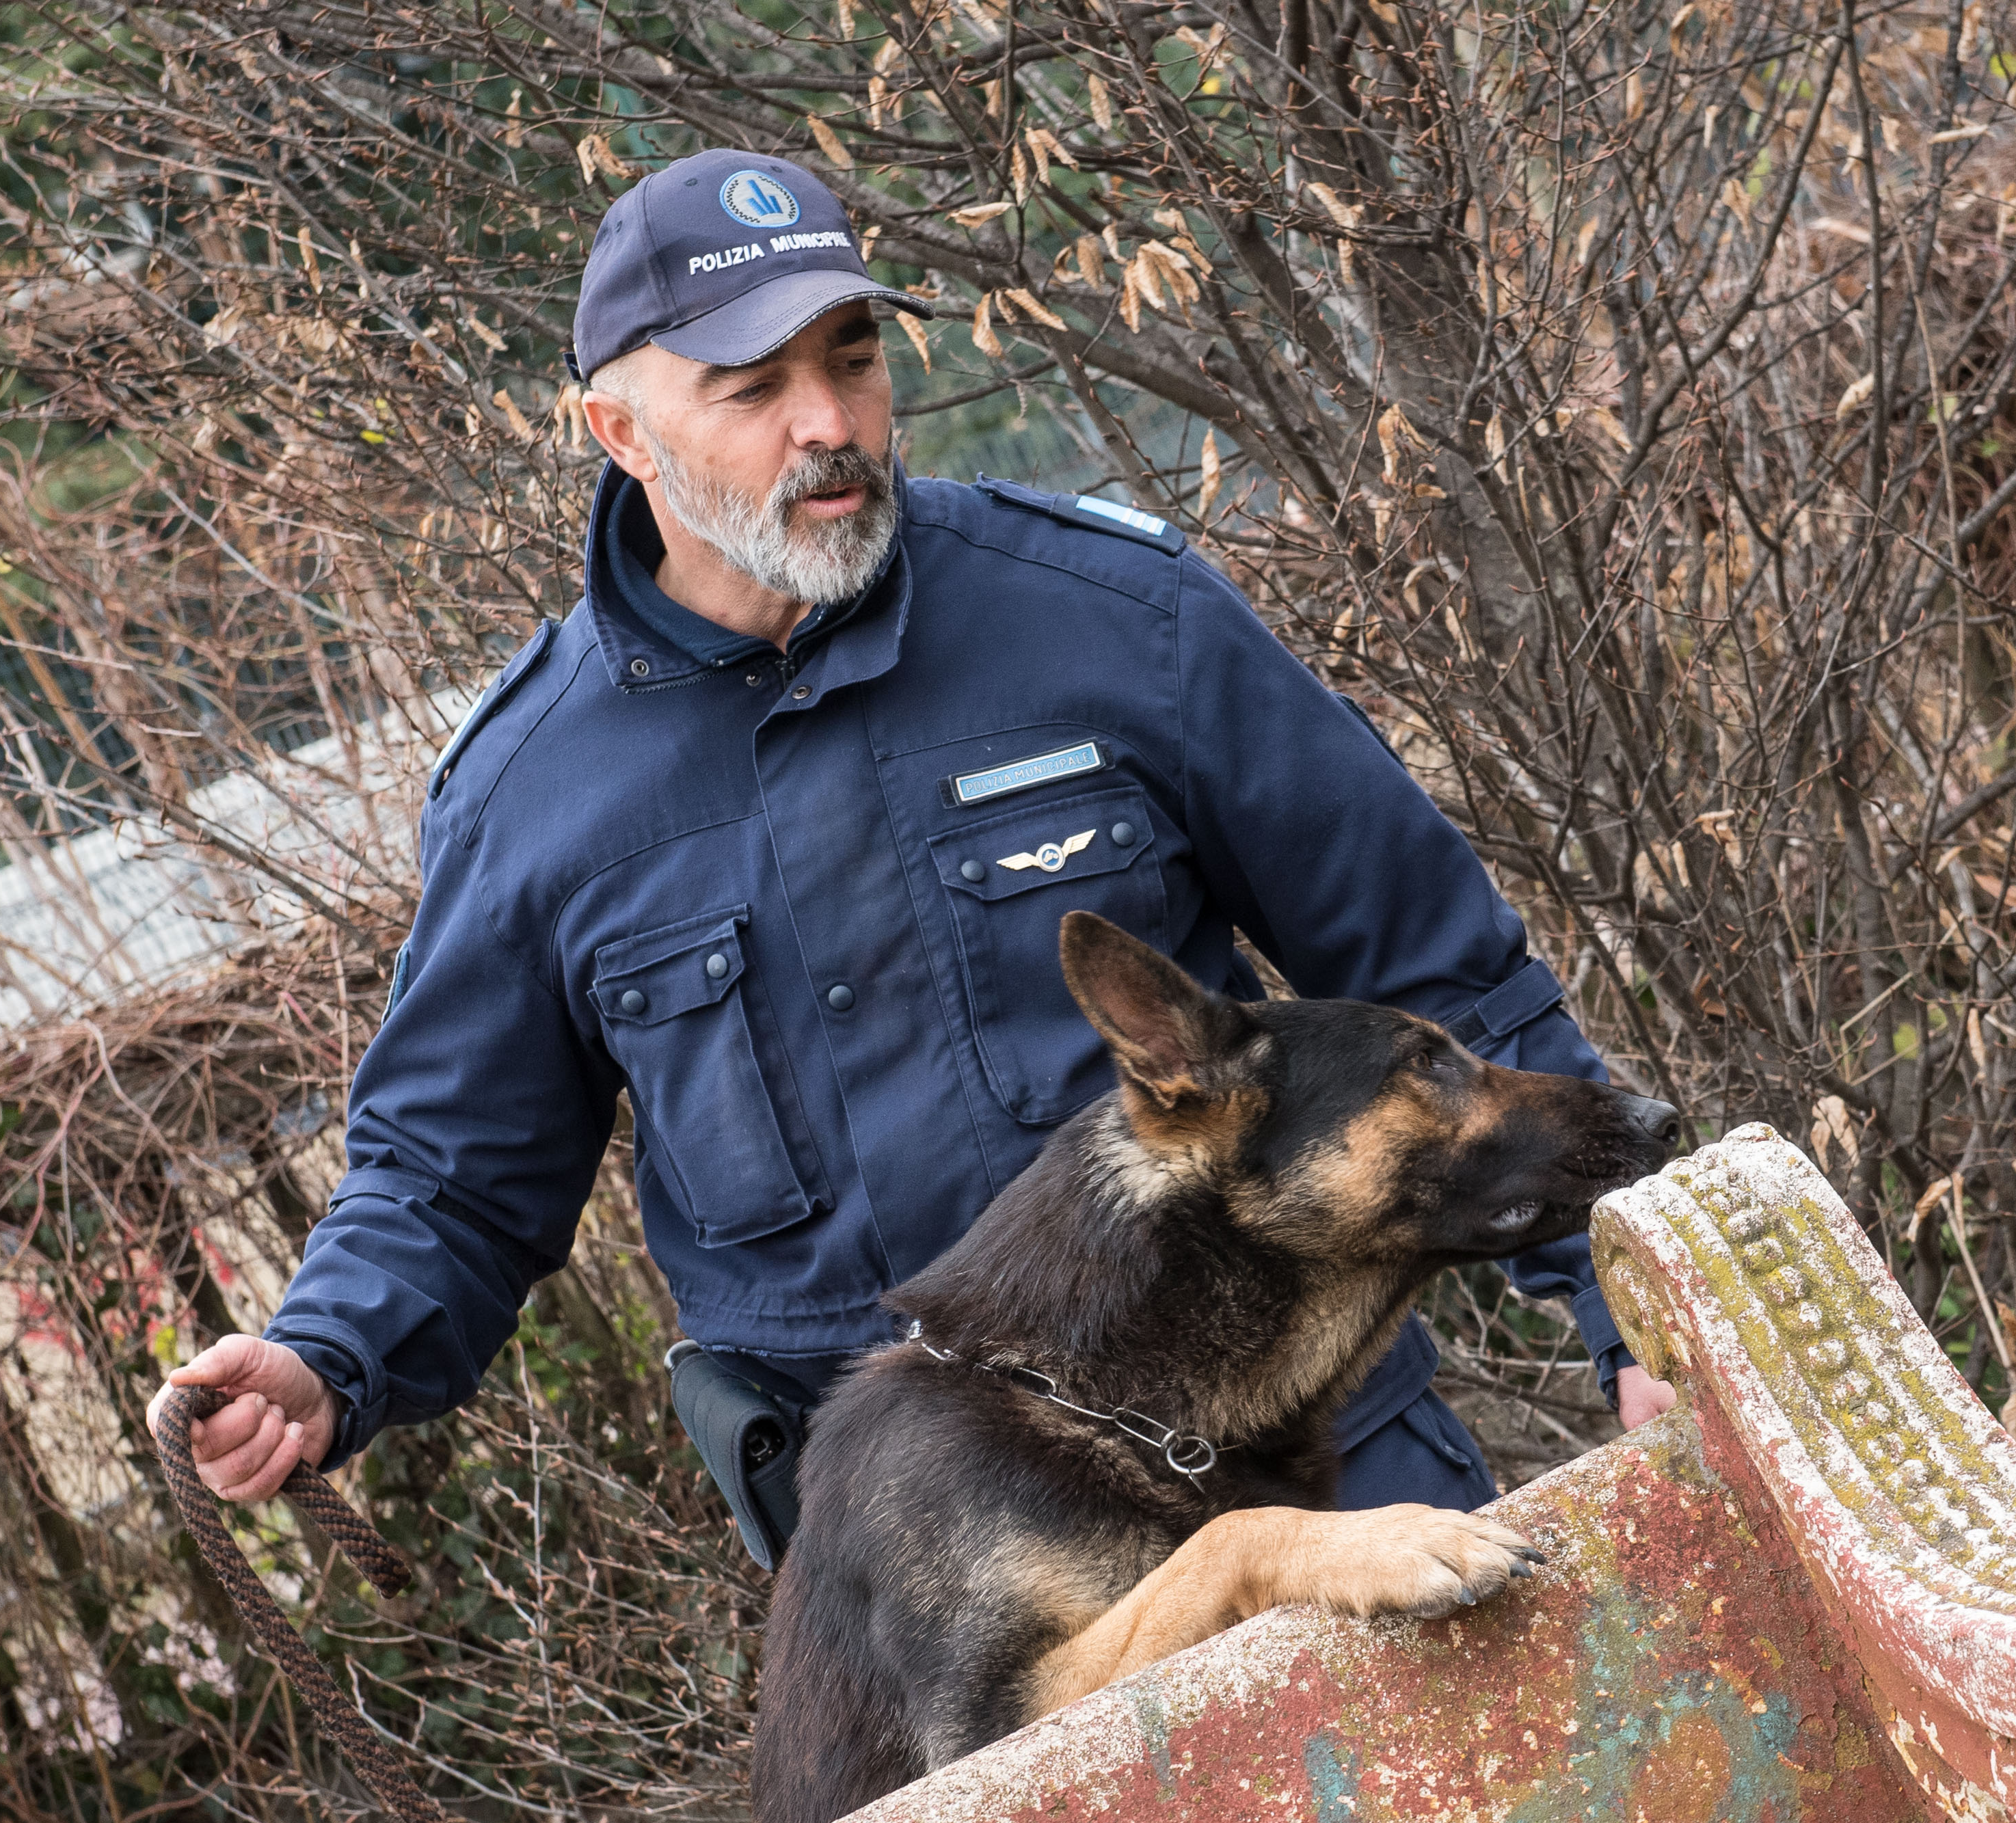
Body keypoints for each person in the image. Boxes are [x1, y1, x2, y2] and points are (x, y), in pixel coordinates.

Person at [146, 149, 1673, 1570]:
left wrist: (1638, 1318)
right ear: (622, 433)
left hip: (1322, 1470)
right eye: (753, 387)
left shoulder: (1117, 619)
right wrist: (323, 1353)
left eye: (854, 361)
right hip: (945, 1579)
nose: (827, 423)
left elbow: (1440, 977)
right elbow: (453, 1174)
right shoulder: (533, 794)